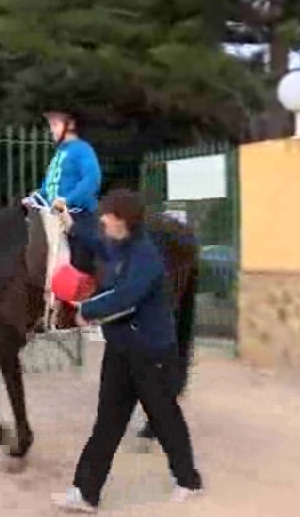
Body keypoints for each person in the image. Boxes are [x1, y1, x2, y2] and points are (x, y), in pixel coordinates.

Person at [51, 189, 203, 513]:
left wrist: (85, 312)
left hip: (151, 352)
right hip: (120, 349)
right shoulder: (115, 244)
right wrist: (68, 221)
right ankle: (85, 492)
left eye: (107, 215)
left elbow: (125, 299)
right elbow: (92, 241)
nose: (102, 220)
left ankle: (188, 480)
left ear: (122, 220)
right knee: (107, 421)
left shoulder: (146, 257)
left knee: (165, 418)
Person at [22, 110, 102, 275]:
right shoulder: (59, 154)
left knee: (82, 255)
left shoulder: (82, 149)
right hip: (54, 214)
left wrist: (67, 200)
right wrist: (35, 197)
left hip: (77, 214)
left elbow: (92, 178)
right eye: (50, 125)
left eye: (55, 124)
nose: (51, 129)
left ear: (70, 125)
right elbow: (49, 186)